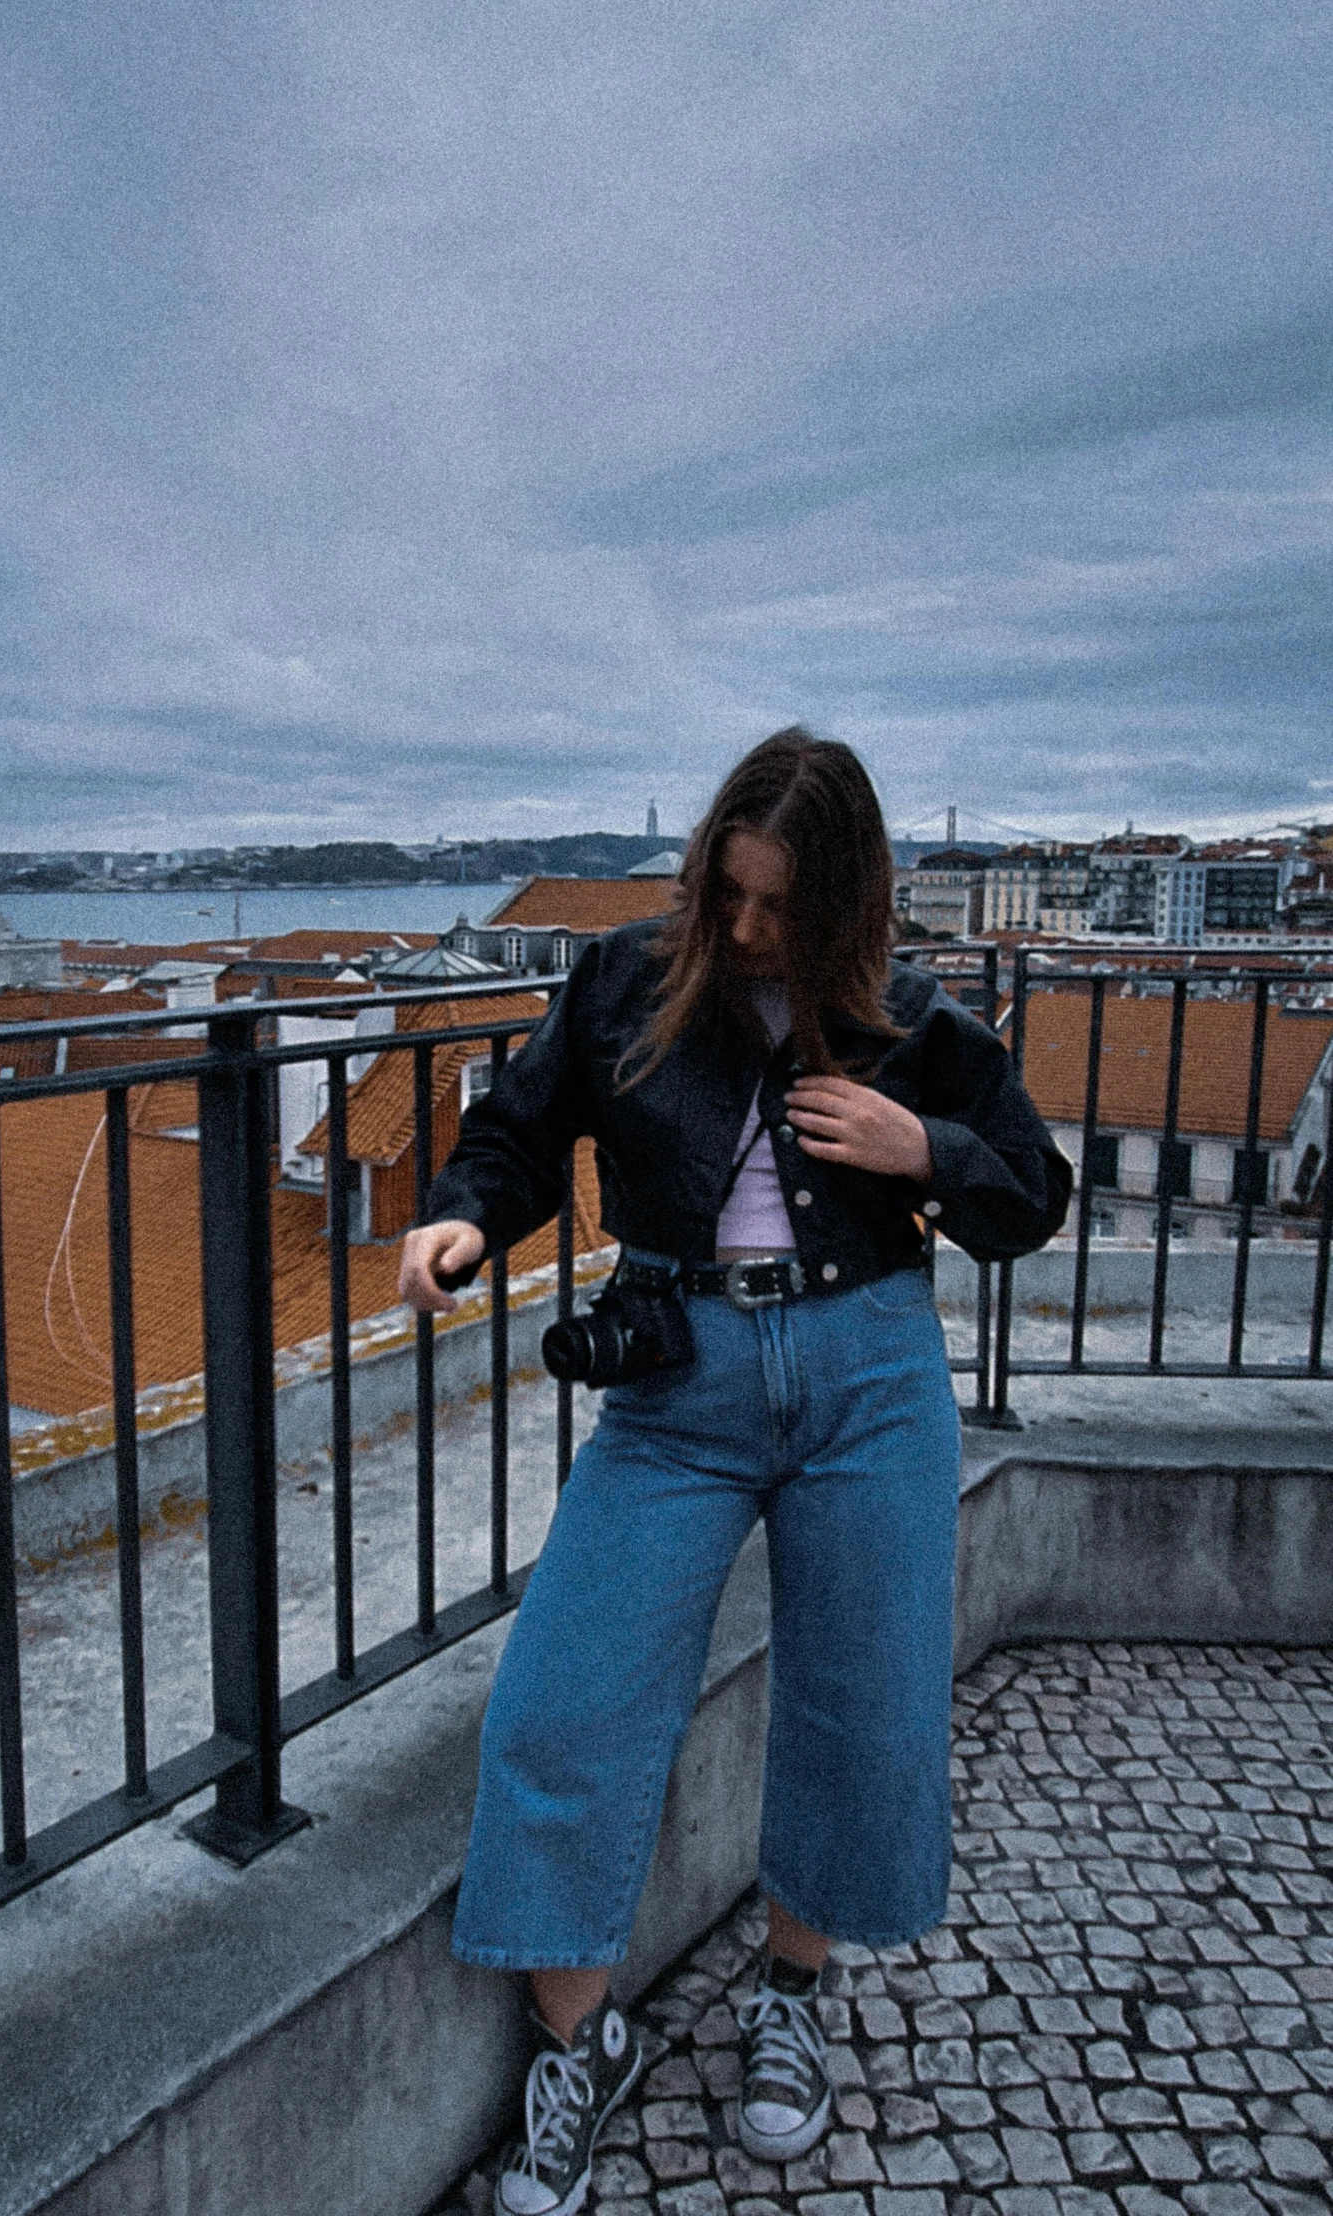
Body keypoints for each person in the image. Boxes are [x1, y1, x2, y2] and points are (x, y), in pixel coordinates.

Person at [399, 730, 1072, 2216]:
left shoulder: (905, 1016)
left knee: (861, 1697)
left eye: (779, 907)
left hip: (870, 1373)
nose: (748, 930)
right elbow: (516, 1134)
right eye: (729, 892)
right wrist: (462, 1221)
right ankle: (580, 2045)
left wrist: (922, 1147)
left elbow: (1030, 1196)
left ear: (841, 904)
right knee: (566, 1701)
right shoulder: (628, 978)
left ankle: (789, 1993)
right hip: (674, 1385)